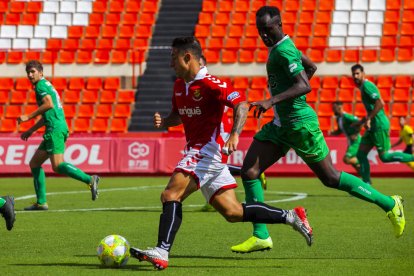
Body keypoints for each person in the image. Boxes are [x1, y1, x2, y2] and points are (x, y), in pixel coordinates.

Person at [128, 37, 314, 270]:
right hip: (200, 151)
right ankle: (292, 216)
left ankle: (161, 251)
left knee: (170, 195)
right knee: (233, 212)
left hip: (207, 150)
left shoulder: (210, 83)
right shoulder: (179, 85)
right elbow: (180, 115)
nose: (170, 64)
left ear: (188, 57)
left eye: (173, 58)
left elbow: (241, 105)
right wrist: (166, 120)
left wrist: (234, 134)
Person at [233, 6, 405, 253]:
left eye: (268, 30)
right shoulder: (282, 47)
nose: (264, 36)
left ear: (279, 25)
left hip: (301, 125)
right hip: (283, 125)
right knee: (249, 171)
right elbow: (311, 68)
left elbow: (304, 84)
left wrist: (271, 101)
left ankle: (390, 204)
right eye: (260, 31)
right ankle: (261, 235)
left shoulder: (283, 50)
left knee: (331, 178)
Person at [17, 60, 100, 210]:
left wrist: (28, 117)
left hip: (55, 129)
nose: (30, 75)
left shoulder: (41, 86)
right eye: (28, 72)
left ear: (41, 73)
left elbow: (48, 104)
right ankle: (41, 202)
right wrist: (31, 130)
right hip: (54, 127)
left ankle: (90, 179)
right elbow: (48, 113)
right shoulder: (46, 85)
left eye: (33, 72)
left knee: (58, 165)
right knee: (34, 163)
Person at [198, 55, 267, 213]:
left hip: (220, 130)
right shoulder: (194, 84)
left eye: (201, 63)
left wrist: (232, 133)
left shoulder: (211, 83)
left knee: (211, 164)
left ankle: (253, 172)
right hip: (210, 131)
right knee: (212, 164)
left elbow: (238, 103)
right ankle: (212, 201)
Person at [351, 64, 414, 184]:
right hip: (372, 126)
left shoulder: (367, 86)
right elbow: (371, 109)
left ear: (363, 73)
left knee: (384, 157)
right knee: (360, 154)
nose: (355, 76)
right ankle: (367, 184)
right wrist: (360, 122)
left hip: (379, 125)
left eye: (357, 73)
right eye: (353, 74)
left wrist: (368, 118)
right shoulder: (363, 88)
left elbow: (380, 103)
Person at [329, 101, 361, 174]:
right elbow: (340, 131)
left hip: (355, 141)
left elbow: (359, 122)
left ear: (340, 107)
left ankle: (362, 164)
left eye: (334, 108)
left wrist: (356, 134)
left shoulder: (346, 117)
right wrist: (332, 133)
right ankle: (363, 176)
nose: (333, 110)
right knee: (350, 161)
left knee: (347, 159)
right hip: (350, 141)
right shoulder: (338, 119)